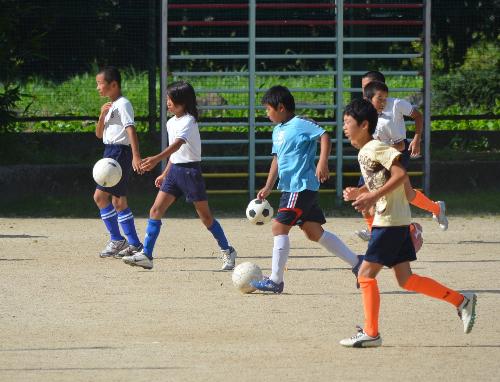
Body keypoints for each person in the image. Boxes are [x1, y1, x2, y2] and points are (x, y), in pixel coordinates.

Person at [340, 99, 476, 347]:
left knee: (365, 275)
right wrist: (360, 193)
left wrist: (371, 196)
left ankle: (371, 333)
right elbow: (387, 184)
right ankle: (461, 301)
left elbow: (401, 174)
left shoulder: (375, 148)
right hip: (394, 220)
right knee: (406, 279)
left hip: (390, 222)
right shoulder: (365, 152)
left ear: (364, 124)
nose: (344, 128)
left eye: (348, 122)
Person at [250, 85, 363, 293]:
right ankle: (358, 263)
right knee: (313, 232)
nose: (266, 113)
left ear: (281, 107)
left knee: (278, 227)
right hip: (292, 188)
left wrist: (322, 162)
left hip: (300, 187)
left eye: (268, 109)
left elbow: (324, 136)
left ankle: (275, 280)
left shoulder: (300, 124)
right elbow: (277, 159)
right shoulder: (277, 131)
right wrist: (268, 186)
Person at [121, 81, 237, 271]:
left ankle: (228, 250)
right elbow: (175, 155)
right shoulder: (170, 122)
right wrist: (166, 173)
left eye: (171, 100)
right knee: (155, 210)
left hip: (191, 173)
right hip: (175, 173)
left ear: (183, 102)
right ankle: (147, 255)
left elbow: (178, 144)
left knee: (206, 218)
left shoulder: (189, 120)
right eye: (167, 99)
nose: (168, 103)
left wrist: (157, 159)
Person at [353, 71, 447, 242]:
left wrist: (417, 138)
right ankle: (375, 232)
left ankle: (434, 210)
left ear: (379, 87)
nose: (364, 91)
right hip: (376, 156)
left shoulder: (395, 105)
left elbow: (403, 140)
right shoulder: (364, 110)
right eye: (363, 87)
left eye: (367, 86)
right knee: (365, 195)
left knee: (403, 195)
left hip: (395, 154)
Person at [94, 66, 143, 258]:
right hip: (109, 152)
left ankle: (119, 240)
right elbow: (99, 135)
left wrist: (135, 155)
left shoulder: (123, 104)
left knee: (101, 197)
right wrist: (101, 117)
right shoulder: (109, 106)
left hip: (119, 153)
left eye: (100, 83)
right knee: (117, 200)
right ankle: (131, 243)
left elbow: (131, 130)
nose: (98, 87)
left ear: (113, 84)